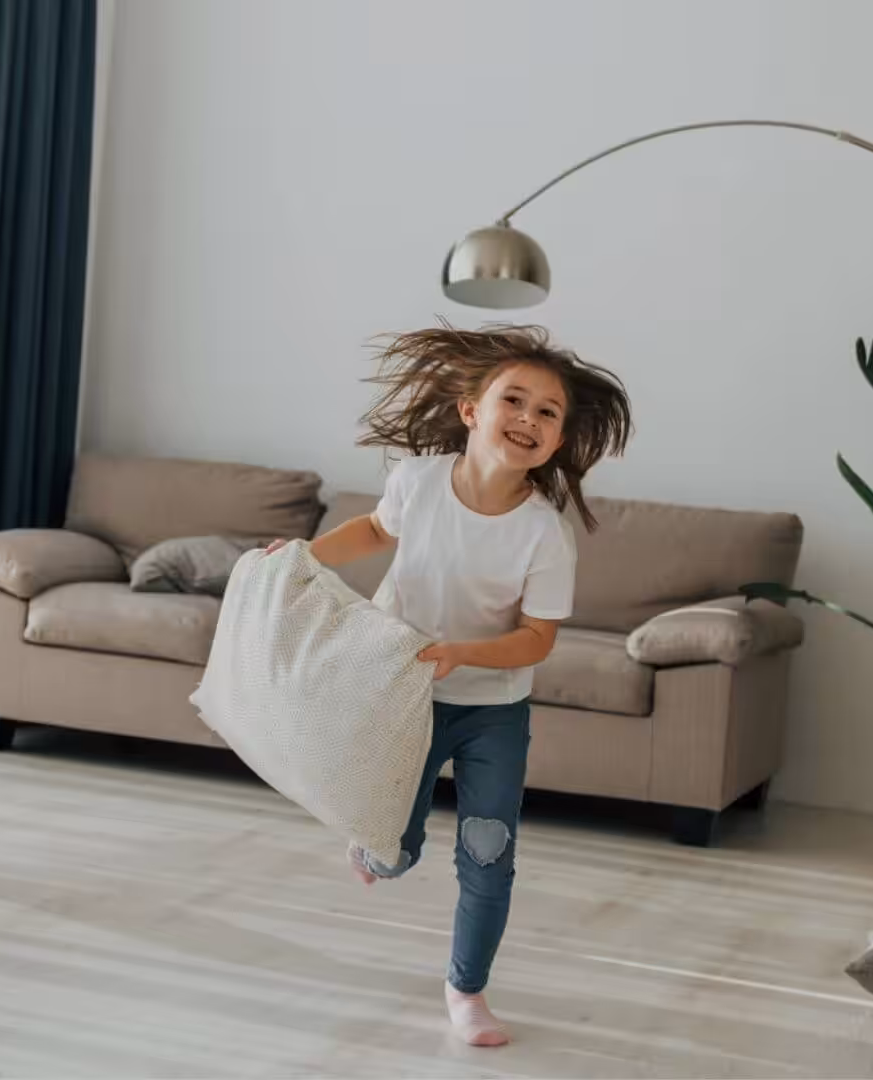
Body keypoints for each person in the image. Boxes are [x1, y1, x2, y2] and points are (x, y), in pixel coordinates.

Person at [270, 323, 632, 1046]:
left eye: (547, 412)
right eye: (514, 400)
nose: (528, 418)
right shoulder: (418, 481)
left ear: (558, 441)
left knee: (489, 854)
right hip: (404, 696)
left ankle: (467, 991)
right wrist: (305, 555)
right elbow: (376, 531)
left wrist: (463, 654)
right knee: (395, 854)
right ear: (471, 410)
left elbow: (537, 638)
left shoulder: (544, 533)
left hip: (493, 713)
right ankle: (376, 849)